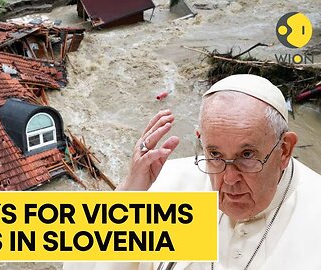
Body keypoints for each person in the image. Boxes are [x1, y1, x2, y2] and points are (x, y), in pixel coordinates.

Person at [64, 74, 321, 270]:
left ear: (285, 150)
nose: (229, 180)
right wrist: (128, 195)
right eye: (215, 155)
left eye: (247, 155)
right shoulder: (170, 182)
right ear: (201, 141)